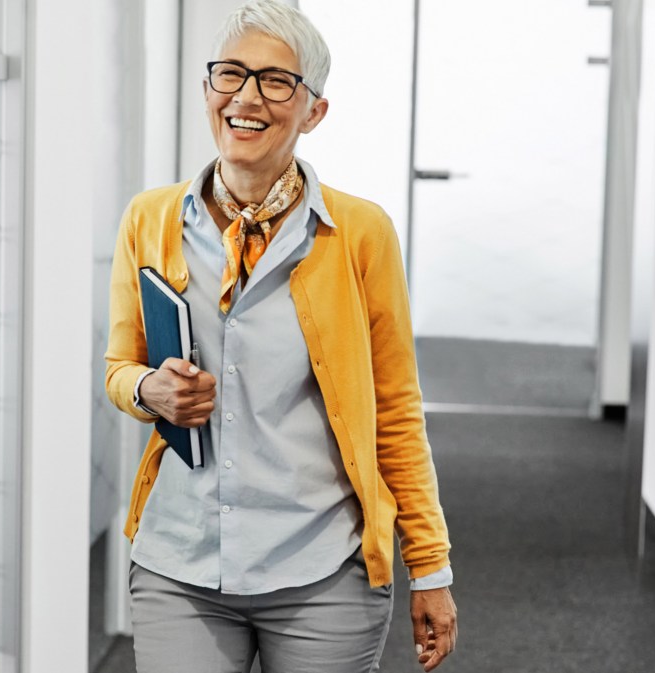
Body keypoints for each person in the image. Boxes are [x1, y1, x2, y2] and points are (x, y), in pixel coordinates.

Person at [104, 2, 455, 671]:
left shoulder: (359, 233)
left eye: (275, 81)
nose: (246, 97)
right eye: (230, 75)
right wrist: (151, 388)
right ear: (208, 91)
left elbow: (397, 412)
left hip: (322, 564)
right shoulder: (149, 219)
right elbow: (119, 368)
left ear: (313, 111)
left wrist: (430, 562)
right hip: (181, 562)